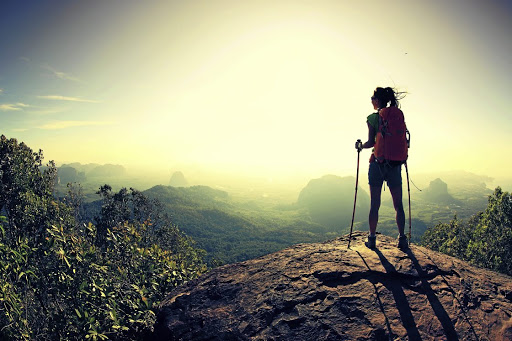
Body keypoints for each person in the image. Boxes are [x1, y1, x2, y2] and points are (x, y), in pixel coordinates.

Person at [356, 87, 408, 250]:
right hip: (394, 165)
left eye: (372, 98)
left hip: (377, 164)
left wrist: (360, 146)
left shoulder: (373, 118)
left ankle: (371, 239)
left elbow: (371, 142)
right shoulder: (397, 115)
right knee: (398, 205)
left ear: (377, 100)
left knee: (374, 204)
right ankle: (402, 239)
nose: (371, 100)